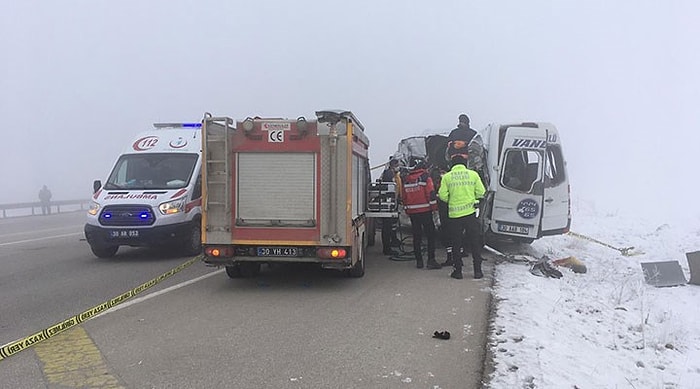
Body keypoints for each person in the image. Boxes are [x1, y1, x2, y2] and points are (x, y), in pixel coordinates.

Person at [437, 154, 486, 279]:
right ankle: (478, 271)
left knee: (456, 243)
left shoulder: (447, 177)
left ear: (452, 164)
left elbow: (442, 195)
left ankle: (458, 271)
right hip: (470, 213)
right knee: (475, 242)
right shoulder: (473, 175)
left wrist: (452, 200)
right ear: (465, 163)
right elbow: (481, 192)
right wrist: (473, 200)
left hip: (454, 215)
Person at [401, 157, 441, 269]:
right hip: (425, 211)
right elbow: (431, 194)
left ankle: (419, 261)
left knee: (416, 237)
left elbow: (404, 197)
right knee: (430, 236)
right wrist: (434, 208)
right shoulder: (425, 178)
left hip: (413, 212)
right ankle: (431, 260)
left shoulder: (407, 179)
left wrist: (407, 209)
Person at [380, 156, 401, 255]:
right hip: (388, 203)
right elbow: (390, 188)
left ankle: (391, 243)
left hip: (392, 202)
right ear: (393, 165)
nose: (398, 167)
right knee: (387, 226)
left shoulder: (394, 174)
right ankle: (387, 248)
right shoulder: (389, 174)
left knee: (391, 225)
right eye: (397, 165)